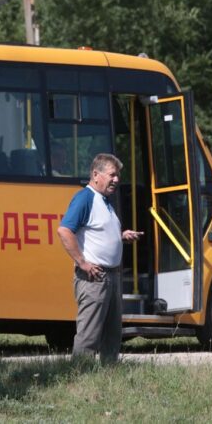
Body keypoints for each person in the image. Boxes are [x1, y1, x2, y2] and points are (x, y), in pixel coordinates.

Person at [57, 153, 142, 364]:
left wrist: (121, 236)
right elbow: (64, 231)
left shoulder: (104, 201)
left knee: (112, 333)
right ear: (96, 175)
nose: (117, 179)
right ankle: (80, 376)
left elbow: (97, 232)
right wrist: (83, 263)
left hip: (111, 276)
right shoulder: (85, 198)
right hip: (95, 277)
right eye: (112, 175)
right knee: (89, 333)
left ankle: (108, 377)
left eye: (118, 175)